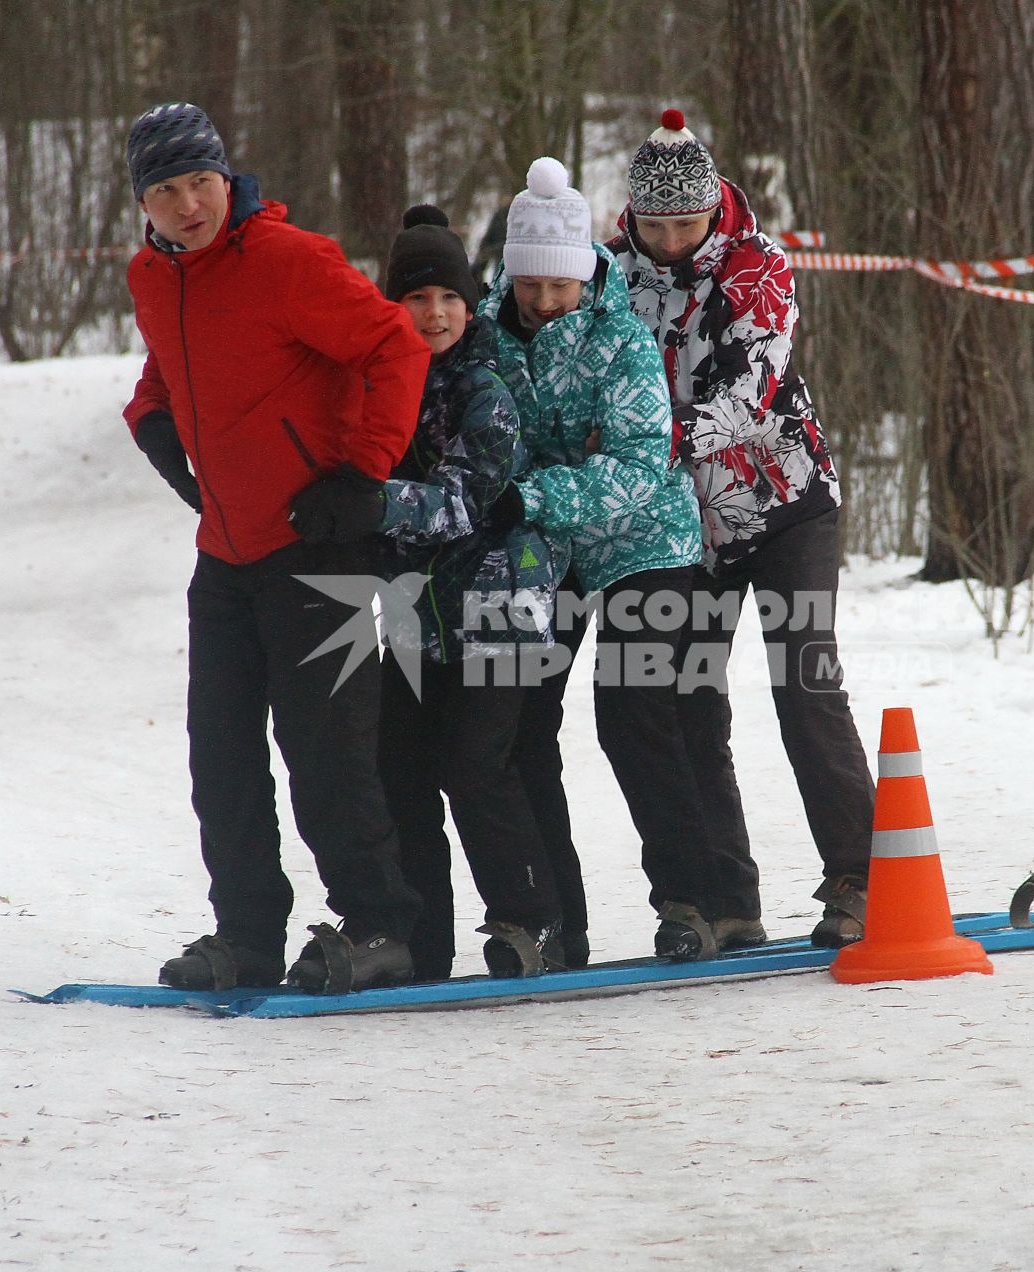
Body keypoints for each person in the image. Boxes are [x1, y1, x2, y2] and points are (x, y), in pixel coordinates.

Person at [119, 101, 429, 994]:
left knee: (326, 754)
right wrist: (148, 416)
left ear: (229, 178)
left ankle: (378, 929)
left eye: (201, 183)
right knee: (219, 757)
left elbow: (395, 348)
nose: (188, 205)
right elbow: (167, 362)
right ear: (145, 202)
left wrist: (363, 475)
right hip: (225, 554)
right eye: (167, 190)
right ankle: (247, 935)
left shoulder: (290, 261)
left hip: (318, 546)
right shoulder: (154, 276)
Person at [609, 109, 875, 948]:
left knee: (806, 687)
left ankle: (862, 878)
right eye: (654, 226)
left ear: (712, 209)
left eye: (685, 223)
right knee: (688, 702)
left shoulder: (759, 267)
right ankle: (726, 898)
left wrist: (651, 440)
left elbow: (748, 392)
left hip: (786, 505)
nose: (672, 241)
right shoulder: (611, 275)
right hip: (685, 528)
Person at [484, 157, 749, 962]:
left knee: (633, 707)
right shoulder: (492, 340)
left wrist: (531, 494)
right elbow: (495, 447)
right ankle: (551, 920)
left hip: (646, 538)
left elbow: (636, 468)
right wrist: (529, 495)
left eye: (560, 286)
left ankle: (691, 899)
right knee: (517, 720)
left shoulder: (623, 340)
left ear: (585, 277)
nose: (545, 301)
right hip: (550, 551)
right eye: (530, 284)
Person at [372, 203, 567, 979]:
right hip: (420, 612)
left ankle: (536, 924)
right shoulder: (381, 384)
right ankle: (420, 943)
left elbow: (461, 501)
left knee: (478, 763)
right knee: (402, 767)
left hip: (502, 601)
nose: (435, 314)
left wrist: (365, 502)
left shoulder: (487, 387)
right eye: (417, 299)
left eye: (449, 298)